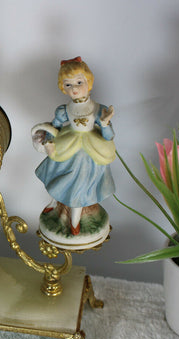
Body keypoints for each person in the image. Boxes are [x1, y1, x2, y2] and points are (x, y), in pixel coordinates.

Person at [31, 57, 115, 235]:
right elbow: (54, 127)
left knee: (80, 183)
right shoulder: (64, 110)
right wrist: (45, 139)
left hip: (91, 149)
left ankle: (75, 221)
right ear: (63, 87)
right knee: (58, 175)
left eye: (79, 82)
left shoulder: (99, 109)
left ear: (88, 83)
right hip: (69, 144)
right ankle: (54, 203)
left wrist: (105, 123)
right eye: (68, 85)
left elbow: (109, 136)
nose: (74, 88)